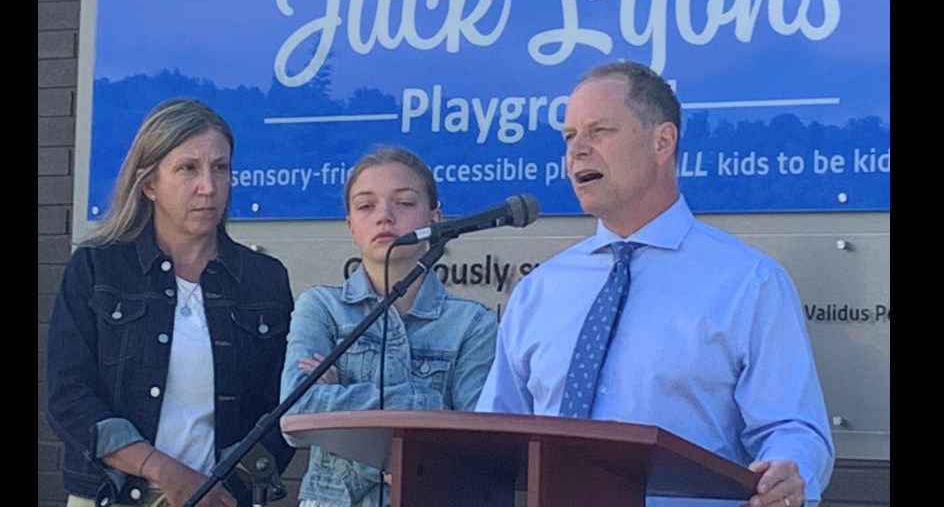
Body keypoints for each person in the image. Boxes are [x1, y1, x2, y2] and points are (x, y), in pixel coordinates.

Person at [476, 61, 834, 507]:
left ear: (662, 141)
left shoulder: (749, 283)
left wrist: (788, 469)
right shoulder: (539, 291)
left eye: (599, 131)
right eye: (569, 137)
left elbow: (792, 427)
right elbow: (492, 435)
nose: (577, 151)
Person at [46, 98, 295, 507]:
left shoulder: (264, 279)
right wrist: (163, 471)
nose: (209, 187)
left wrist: (232, 486)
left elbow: (281, 406)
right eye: (188, 168)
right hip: (112, 496)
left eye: (220, 167)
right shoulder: (97, 268)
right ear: (149, 184)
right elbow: (68, 395)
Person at [280, 145, 498, 507]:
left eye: (405, 203)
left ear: (436, 218)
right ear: (350, 226)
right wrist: (425, 405)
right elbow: (297, 414)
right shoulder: (321, 306)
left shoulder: (472, 323)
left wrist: (344, 399)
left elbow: (475, 444)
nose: (384, 216)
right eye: (366, 206)